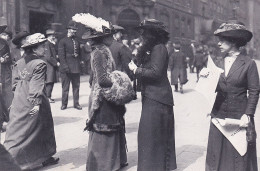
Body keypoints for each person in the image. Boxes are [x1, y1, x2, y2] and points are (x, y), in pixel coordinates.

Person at [204, 21, 259, 171]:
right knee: (217, 154)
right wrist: (205, 77)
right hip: (219, 115)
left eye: (222, 40)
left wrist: (248, 114)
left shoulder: (249, 64)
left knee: (238, 155)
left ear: (233, 41)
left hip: (239, 117)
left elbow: (254, 91)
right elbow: (213, 87)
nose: (219, 44)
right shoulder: (217, 61)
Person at [76, 15, 129, 171]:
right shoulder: (100, 52)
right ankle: (104, 165)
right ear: (102, 37)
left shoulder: (102, 50)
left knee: (109, 125)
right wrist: (120, 82)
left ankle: (113, 162)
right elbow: (103, 79)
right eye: (109, 36)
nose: (112, 38)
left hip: (103, 94)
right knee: (105, 126)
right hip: (104, 96)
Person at [4, 33, 59, 170]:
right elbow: (36, 85)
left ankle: (44, 157)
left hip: (20, 99)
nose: (45, 49)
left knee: (19, 129)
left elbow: (15, 84)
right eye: (42, 47)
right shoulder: (40, 63)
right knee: (41, 126)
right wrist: (36, 103)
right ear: (34, 49)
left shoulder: (19, 62)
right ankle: (8, 162)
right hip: (35, 98)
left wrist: (18, 98)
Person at [128, 19, 177, 171]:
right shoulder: (154, 48)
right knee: (150, 133)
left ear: (153, 34)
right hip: (152, 96)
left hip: (158, 98)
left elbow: (156, 73)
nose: (142, 35)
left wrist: (136, 70)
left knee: (152, 133)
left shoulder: (159, 48)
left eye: (145, 32)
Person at [58, 20, 83, 110]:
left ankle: (76, 104)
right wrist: (65, 67)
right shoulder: (62, 41)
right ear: (68, 29)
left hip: (76, 67)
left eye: (75, 30)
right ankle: (64, 104)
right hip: (66, 68)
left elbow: (80, 54)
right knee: (65, 87)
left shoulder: (77, 41)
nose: (75, 31)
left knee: (76, 87)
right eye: (73, 29)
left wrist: (80, 64)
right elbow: (61, 56)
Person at [0, 25, 13, 130]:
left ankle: (8, 119)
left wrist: (3, 60)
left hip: (4, 75)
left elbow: (8, 58)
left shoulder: (4, 44)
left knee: (6, 97)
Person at [43, 29, 60, 103]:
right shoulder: (47, 43)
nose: (53, 37)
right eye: (52, 35)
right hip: (49, 66)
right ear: (49, 36)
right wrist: (56, 63)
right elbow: (48, 57)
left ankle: (48, 96)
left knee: (51, 81)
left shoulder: (50, 43)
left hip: (51, 66)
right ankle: (47, 97)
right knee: (49, 81)